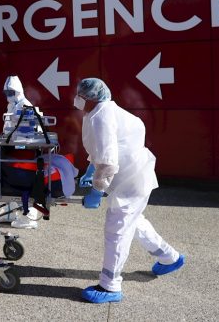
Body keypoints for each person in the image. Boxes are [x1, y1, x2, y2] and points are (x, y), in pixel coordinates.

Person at [74, 78, 185, 304]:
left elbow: (108, 163)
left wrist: (96, 190)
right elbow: (105, 149)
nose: (76, 99)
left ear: (90, 98)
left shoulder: (102, 117)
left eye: (80, 95)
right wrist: (90, 168)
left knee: (117, 228)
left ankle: (110, 285)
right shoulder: (101, 112)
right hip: (132, 176)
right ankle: (169, 257)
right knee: (134, 220)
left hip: (131, 180)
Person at [0, 76, 41, 229]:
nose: (8, 94)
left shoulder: (25, 106)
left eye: (11, 91)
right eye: (6, 92)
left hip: (25, 150)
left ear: (18, 91)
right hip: (14, 148)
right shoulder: (12, 106)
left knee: (23, 181)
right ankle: (10, 212)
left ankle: (28, 217)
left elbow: (29, 130)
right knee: (8, 180)